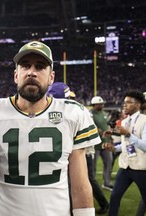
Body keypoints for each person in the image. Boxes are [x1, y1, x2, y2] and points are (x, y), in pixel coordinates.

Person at [0, 41, 101, 216]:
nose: (31, 72)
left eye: (40, 66)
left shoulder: (73, 114)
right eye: (25, 66)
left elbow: (80, 185)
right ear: (16, 75)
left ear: (51, 77)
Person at [48, 82, 110, 215]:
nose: (71, 101)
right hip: (75, 153)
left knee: (83, 181)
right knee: (78, 182)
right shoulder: (76, 112)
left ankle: (103, 203)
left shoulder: (44, 115)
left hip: (75, 154)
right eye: (68, 98)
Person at [103, 90, 146, 216]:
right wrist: (114, 148)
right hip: (125, 166)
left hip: (140, 168)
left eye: (128, 103)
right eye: (124, 103)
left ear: (137, 105)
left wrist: (128, 134)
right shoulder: (125, 121)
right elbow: (126, 144)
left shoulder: (144, 121)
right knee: (115, 196)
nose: (124, 105)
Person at [90, 96, 114, 191]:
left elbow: (107, 127)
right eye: (100, 104)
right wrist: (97, 130)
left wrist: (110, 137)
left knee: (108, 162)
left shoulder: (104, 113)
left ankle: (106, 183)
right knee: (93, 167)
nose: (102, 105)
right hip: (95, 145)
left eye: (102, 104)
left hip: (105, 143)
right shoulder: (90, 114)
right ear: (95, 104)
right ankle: (92, 185)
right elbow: (91, 127)